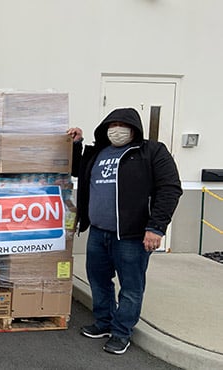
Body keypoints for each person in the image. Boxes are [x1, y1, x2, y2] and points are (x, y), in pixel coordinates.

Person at [67, 107, 182, 355]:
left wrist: (156, 227)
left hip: (132, 235)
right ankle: (104, 323)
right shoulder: (99, 152)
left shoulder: (151, 152)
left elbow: (170, 188)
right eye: (112, 124)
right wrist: (77, 144)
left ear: (134, 128)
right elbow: (77, 170)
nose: (116, 129)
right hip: (98, 232)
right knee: (98, 281)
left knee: (130, 287)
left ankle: (121, 332)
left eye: (123, 124)